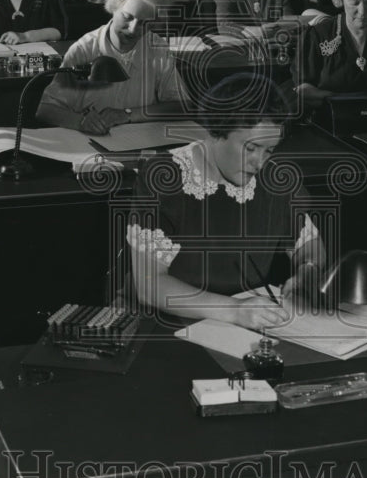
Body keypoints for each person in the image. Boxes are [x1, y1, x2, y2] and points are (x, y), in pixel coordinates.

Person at [126, 73, 327, 330]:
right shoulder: (168, 178)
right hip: (169, 325)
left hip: (244, 324)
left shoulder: (274, 180)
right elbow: (149, 284)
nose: (260, 163)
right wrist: (233, 311)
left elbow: (309, 246)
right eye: (251, 148)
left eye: (269, 150)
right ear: (216, 131)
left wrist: (306, 273)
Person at [36, 0, 185, 134]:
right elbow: (46, 109)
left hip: (139, 144)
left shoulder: (157, 48)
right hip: (91, 147)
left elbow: (179, 105)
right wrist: (81, 122)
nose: (133, 29)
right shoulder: (84, 49)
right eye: (127, 17)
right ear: (114, 6)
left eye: (144, 22)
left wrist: (127, 115)